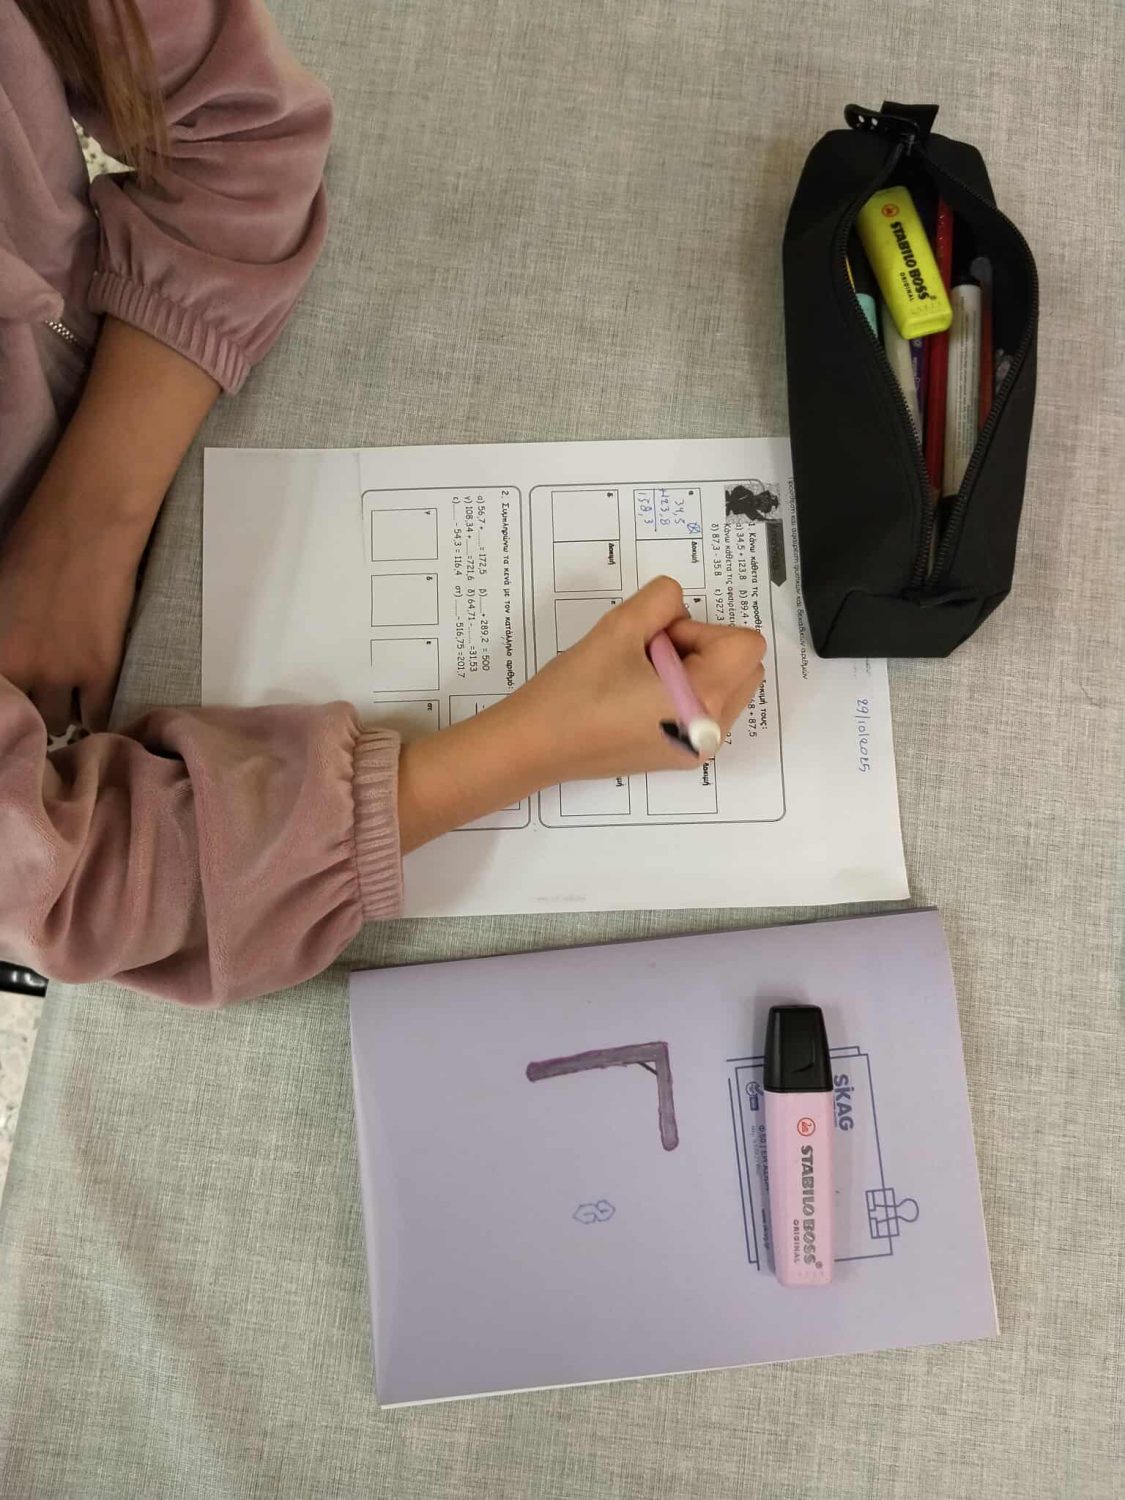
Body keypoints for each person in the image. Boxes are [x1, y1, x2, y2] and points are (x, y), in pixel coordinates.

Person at [0, 0, 765, 1004]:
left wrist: (87, 521)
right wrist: (537, 744)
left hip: (85, 449)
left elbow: (238, 124)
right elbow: (78, 886)